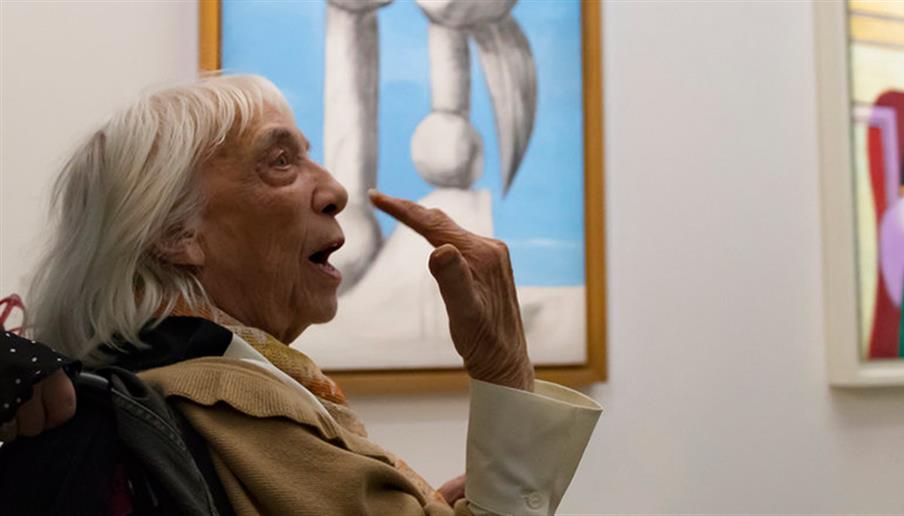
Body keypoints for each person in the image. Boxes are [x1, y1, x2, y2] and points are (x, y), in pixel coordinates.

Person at [0, 74, 601, 515]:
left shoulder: (172, 384)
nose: (335, 190)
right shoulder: (227, 400)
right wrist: (503, 367)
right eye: (281, 161)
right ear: (176, 234)